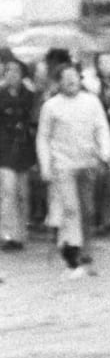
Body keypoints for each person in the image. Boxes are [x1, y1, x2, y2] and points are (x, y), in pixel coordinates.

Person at [36, 64, 110, 270]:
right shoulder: (50, 106)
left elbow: (102, 128)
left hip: (87, 163)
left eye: (74, 77)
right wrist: (45, 165)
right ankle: (73, 246)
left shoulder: (92, 102)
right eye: (66, 78)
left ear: (80, 79)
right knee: (70, 207)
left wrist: (105, 153)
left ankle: (86, 246)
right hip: (63, 165)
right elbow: (43, 138)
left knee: (87, 208)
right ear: (58, 82)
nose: (71, 81)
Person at [0, 54, 38, 252]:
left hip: (24, 151)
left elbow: (35, 122)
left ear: (22, 74)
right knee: (7, 192)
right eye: (8, 71)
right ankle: (8, 234)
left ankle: (21, 233)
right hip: (4, 151)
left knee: (23, 194)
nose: (12, 75)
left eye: (16, 71)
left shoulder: (30, 96)